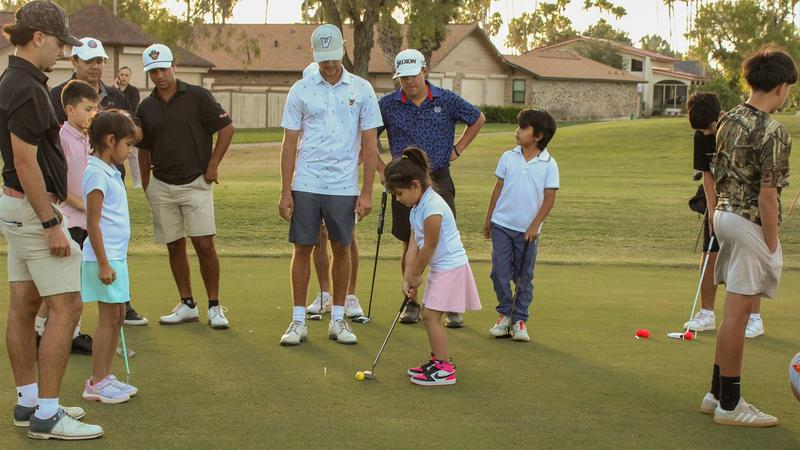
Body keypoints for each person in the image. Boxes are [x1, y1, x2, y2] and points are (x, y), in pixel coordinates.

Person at [0, 0, 102, 439]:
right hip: (31, 208)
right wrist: (50, 222)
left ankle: (28, 404)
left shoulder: (15, 80)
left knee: (24, 306)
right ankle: (47, 413)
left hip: (17, 206)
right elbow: (26, 162)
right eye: (60, 41)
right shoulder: (27, 88)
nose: (63, 50)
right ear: (38, 38)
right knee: (67, 306)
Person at [699, 45, 796, 427]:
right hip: (750, 222)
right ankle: (731, 404)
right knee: (738, 315)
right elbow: (768, 195)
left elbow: (719, 173)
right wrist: (771, 244)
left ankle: (715, 394)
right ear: (781, 86)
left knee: (732, 314)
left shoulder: (729, 119)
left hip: (723, 216)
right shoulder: (773, 131)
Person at [278, 24, 380, 346]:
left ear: (342, 52)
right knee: (303, 248)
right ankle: (297, 322)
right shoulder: (301, 89)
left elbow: (371, 142)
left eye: (334, 57)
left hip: (343, 185)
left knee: (342, 247)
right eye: (323, 59)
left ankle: (338, 319)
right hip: (306, 182)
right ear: (315, 56)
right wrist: (284, 191)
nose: (330, 64)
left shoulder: (362, 89)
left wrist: (367, 191)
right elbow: (289, 143)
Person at [45, 36, 149, 332]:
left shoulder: (117, 95)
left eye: (100, 61)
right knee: (73, 271)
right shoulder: (57, 96)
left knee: (111, 247)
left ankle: (121, 303)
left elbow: (136, 132)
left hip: (108, 181)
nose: (95, 66)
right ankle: (56, 328)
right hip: (74, 203)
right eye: (89, 61)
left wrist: (117, 125)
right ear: (74, 62)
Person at [377, 49, 485, 327]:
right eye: (403, 78)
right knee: (408, 241)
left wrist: (458, 149)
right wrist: (382, 170)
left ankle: (449, 306)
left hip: (439, 176)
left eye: (413, 76)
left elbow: (477, 118)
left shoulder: (446, 99)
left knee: (443, 240)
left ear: (425, 71)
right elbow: (366, 134)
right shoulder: (388, 104)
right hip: (404, 183)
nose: (409, 82)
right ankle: (411, 302)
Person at [136, 43, 235, 329]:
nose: (159, 76)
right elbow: (143, 149)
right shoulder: (146, 106)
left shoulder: (198, 96)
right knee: (174, 246)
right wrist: (147, 184)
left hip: (195, 182)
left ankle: (214, 306)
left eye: (164, 69)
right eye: (153, 71)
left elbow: (227, 129)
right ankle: (187, 303)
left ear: (174, 66)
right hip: (162, 185)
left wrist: (213, 164)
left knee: (204, 244)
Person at [385, 147, 480, 385]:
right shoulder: (416, 207)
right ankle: (438, 361)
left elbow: (429, 246)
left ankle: (444, 368)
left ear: (415, 186)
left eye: (399, 193)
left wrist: (417, 275)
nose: (398, 199)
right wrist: (407, 278)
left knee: (429, 316)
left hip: (451, 267)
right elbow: (414, 247)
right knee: (429, 314)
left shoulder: (432, 208)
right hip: (442, 268)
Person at [683, 92, 765, 337]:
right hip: (719, 204)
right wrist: (711, 207)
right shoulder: (701, 135)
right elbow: (707, 172)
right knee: (710, 255)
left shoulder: (740, 131)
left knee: (747, 258)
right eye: (702, 130)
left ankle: (754, 318)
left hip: (746, 203)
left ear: (719, 116)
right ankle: (706, 314)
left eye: (708, 128)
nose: (707, 133)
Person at [483, 109, 559, 342]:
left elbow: (549, 199)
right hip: (502, 225)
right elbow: (498, 189)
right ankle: (505, 314)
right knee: (499, 272)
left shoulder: (549, 164)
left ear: (538, 135)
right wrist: (488, 219)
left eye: (523, 127)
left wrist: (535, 226)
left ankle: (519, 320)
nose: (517, 131)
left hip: (528, 232)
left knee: (523, 276)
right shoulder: (508, 157)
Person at [80, 110, 138, 404]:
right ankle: (96, 381)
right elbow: (92, 223)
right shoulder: (95, 172)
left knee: (117, 316)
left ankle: (105, 375)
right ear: (110, 140)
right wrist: (103, 263)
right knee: (108, 318)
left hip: (116, 256)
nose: (130, 151)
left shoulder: (110, 170)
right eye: (127, 145)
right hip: (104, 258)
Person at [297, 62, 363, 319]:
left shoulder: (347, 100)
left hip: (341, 184)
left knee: (345, 241)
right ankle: (325, 293)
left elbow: (362, 141)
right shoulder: (304, 103)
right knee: (317, 239)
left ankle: (349, 295)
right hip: (309, 181)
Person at [115, 66, 143, 190]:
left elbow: (131, 107)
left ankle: (137, 182)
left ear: (130, 77)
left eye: (126, 75)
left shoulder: (133, 91)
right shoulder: (113, 91)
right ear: (118, 76)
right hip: (115, 125)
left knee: (132, 155)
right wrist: (116, 89)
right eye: (122, 74)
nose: (124, 77)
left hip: (130, 124)